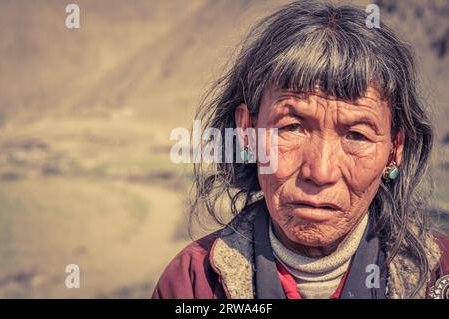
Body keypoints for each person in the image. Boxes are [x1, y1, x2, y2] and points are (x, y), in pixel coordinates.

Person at [152, 0, 449, 299]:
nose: (320, 172)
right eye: (291, 127)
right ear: (247, 133)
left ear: (395, 149)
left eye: (357, 135)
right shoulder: (194, 284)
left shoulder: (441, 274)